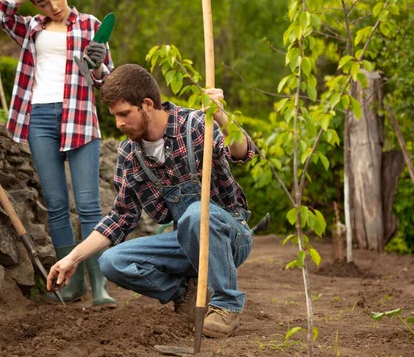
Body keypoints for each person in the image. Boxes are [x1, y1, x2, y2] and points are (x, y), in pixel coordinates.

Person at [47, 64, 257, 337]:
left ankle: (226, 306)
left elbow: (243, 152)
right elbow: (119, 219)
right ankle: (186, 295)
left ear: (146, 104)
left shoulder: (195, 124)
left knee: (195, 213)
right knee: (111, 261)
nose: (119, 123)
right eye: (114, 116)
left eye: (124, 114)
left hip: (231, 236)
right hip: (185, 241)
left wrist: (221, 117)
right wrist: (72, 259)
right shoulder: (129, 154)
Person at [0, 0, 115, 307]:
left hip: (80, 119)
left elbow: (107, 82)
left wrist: (100, 67)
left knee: (89, 206)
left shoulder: (90, 24)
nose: (53, 6)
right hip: (39, 118)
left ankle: (100, 286)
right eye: (44, 3)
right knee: (57, 206)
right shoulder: (32, 27)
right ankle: (71, 285)